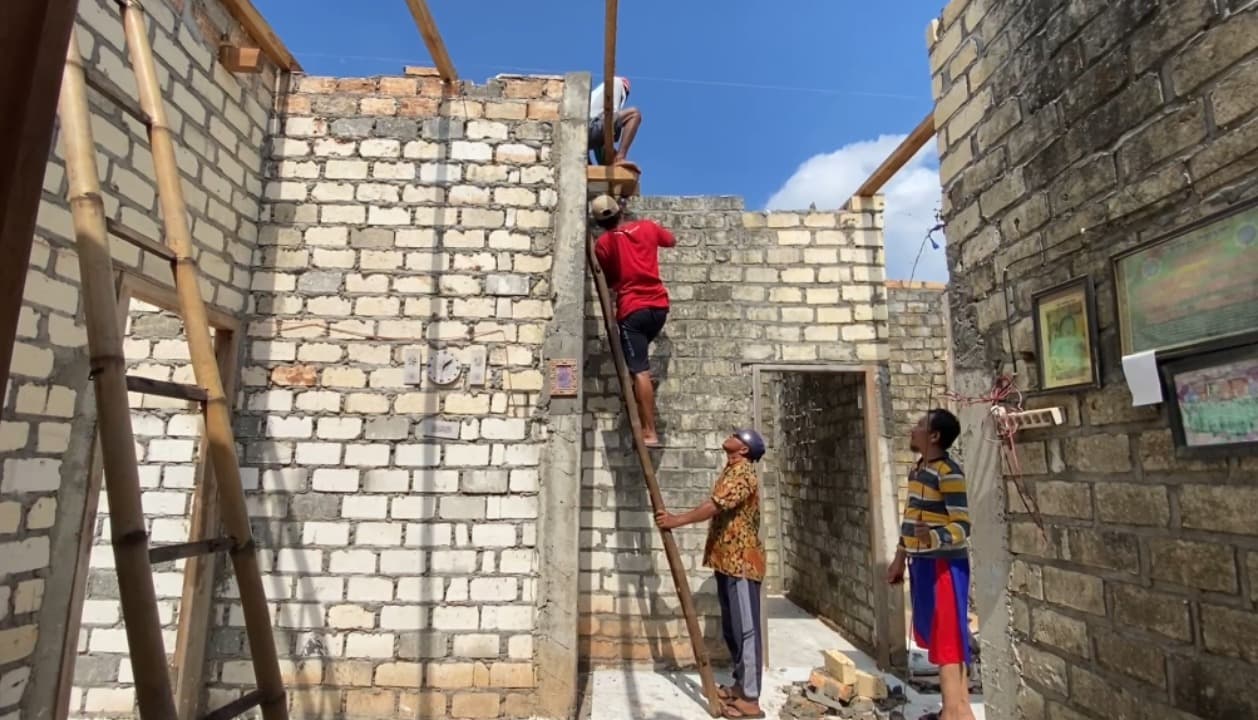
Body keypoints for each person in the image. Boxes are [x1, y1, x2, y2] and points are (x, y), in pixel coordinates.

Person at [655, 429, 767, 720]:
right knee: (733, 629)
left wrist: (675, 521)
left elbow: (713, 506)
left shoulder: (743, 473)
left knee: (747, 632)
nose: (730, 436)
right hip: (726, 561)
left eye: (737, 436)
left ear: (743, 449)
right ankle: (740, 687)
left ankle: (751, 701)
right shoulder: (731, 468)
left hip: (742, 563)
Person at [886, 408, 974, 720]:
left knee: (947, 636)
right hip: (921, 564)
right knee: (937, 634)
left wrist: (935, 536)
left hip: (944, 566)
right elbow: (910, 520)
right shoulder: (918, 471)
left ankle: (951, 712)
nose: (913, 430)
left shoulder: (948, 472)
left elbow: (963, 526)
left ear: (934, 436)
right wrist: (899, 558)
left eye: (921, 426)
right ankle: (960, 709)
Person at [592, 194, 674, 447]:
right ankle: (644, 388)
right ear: (621, 211)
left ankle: (649, 431)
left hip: (632, 311)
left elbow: (612, 279)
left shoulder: (603, 243)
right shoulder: (647, 227)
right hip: (659, 307)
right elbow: (671, 240)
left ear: (598, 222)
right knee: (637, 364)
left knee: (639, 369)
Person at [589, 75, 641, 166]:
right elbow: (612, 115)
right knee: (635, 114)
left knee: (606, 145)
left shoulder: (596, 98)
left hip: (584, 132)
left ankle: (612, 163)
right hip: (591, 126)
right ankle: (620, 158)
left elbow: (600, 143)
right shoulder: (617, 83)